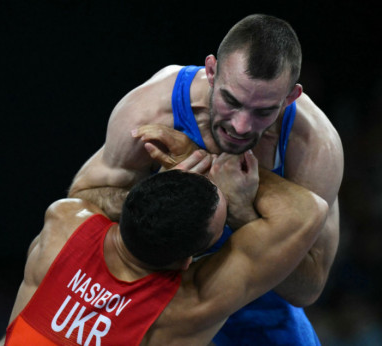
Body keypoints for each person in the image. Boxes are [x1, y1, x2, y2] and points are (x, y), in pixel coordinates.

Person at [68, 13, 344, 344]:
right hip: (159, 306)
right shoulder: (154, 108)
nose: (241, 126)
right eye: (232, 101)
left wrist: (244, 212)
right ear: (211, 71)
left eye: (264, 111)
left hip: (260, 317)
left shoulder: (314, 146)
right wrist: (157, 195)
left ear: (290, 97)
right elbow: (79, 201)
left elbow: (310, 286)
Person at [4, 149, 327, 345]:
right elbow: (308, 211)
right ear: (188, 261)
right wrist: (235, 198)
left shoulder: (64, 221)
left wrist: (155, 190)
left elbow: (86, 193)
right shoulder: (186, 306)